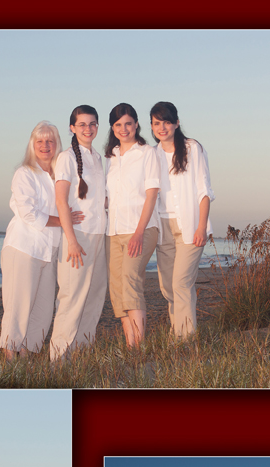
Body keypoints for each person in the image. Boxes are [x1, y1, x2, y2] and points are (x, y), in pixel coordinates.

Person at [0, 121, 84, 360]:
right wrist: (64, 220)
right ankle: (9, 357)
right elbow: (28, 213)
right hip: (23, 248)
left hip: (50, 250)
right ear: (32, 145)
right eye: (40, 141)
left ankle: (25, 355)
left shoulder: (61, 175)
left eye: (50, 141)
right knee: (18, 306)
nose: (45, 146)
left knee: (43, 310)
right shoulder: (24, 173)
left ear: (57, 145)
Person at [150, 101, 215, 338]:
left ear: (177, 123)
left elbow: (204, 190)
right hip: (162, 227)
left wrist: (201, 227)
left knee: (181, 283)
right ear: (151, 126)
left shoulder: (191, 148)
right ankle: (177, 331)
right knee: (168, 287)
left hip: (190, 226)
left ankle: (185, 340)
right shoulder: (151, 154)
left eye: (167, 121)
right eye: (157, 123)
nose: (162, 127)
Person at [50, 105, 108, 361]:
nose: (88, 128)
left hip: (100, 236)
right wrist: (71, 240)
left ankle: (80, 358)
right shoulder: (66, 158)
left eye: (92, 123)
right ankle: (58, 362)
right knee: (71, 299)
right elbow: (61, 201)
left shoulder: (97, 158)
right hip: (79, 238)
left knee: (94, 298)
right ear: (72, 128)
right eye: (82, 124)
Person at [103, 103, 161, 346]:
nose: (123, 128)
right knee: (116, 288)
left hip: (141, 229)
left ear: (136, 124)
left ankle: (138, 348)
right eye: (118, 125)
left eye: (128, 123)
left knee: (130, 280)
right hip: (113, 231)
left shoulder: (147, 153)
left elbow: (152, 194)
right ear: (113, 128)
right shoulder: (111, 156)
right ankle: (131, 346)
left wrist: (138, 233)